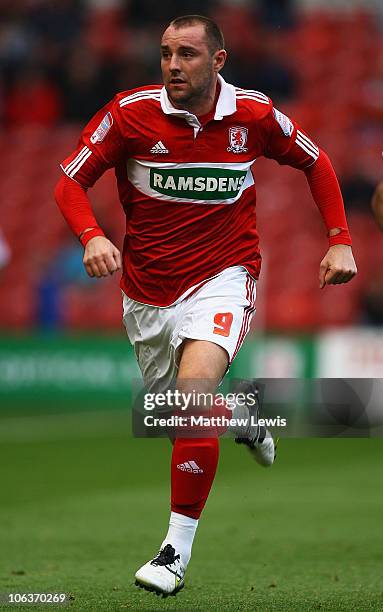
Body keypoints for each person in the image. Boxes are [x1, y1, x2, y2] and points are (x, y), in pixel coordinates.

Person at [55, 14, 357, 596]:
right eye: (166, 52)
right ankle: (241, 414)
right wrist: (92, 234)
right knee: (184, 421)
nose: (173, 64)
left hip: (224, 275)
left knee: (191, 403)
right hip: (147, 293)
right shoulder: (129, 114)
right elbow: (69, 182)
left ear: (218, 61)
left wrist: (340, 240)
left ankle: (173, 553)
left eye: (188, 54)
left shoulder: (254, 115)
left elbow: (315, 163)